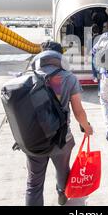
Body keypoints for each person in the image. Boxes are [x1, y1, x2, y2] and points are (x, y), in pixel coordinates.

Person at [27, 41, 93, 206]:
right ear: (59, 56)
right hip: (61, 138)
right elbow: (78, 111)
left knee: (33, 184)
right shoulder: (69, 77)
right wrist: (87, 127)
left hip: (34, 139)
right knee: (63, 172)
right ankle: (62, 194)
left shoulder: (30, 75)